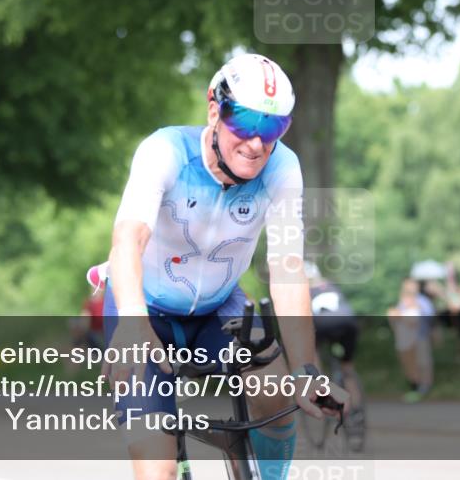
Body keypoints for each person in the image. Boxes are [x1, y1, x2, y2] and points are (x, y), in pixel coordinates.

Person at [94, 54, 345, 480]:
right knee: (158, 471)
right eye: (245, 123)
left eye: (273, 129)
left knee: (276, 394)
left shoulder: (283, 168)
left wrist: (305, 369)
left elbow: (286, 268)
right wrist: (133, 326)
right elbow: (126, 241)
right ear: (215, 110)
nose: (256, 144)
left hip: (218, 305)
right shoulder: (165, 151)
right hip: (146, 307)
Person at [304, 260, 365, 450]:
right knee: (347, 367)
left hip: (322, 325)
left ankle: (318, 383)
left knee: (310, 350)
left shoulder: (303, 291)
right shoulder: (330, 285)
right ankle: (356, 411)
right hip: (348, 323)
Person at [386, 278, 435, 403]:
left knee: (422, 362)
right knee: (411, 364)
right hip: (406, 339)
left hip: (420, 336)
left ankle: (425, 387)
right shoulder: (402, 302)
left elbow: (423, 319)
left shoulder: (422, 301)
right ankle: (416, 387)